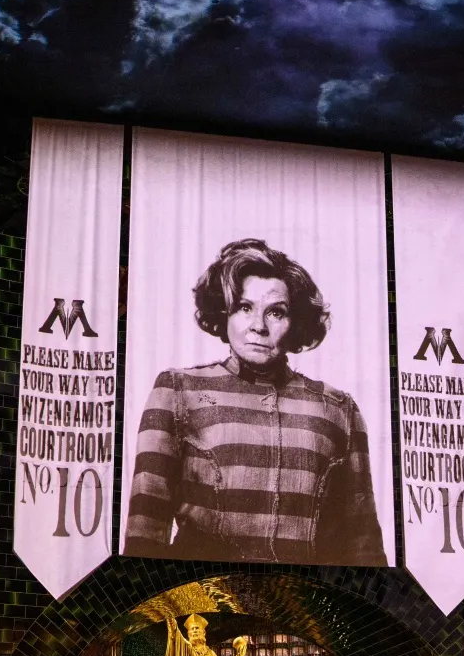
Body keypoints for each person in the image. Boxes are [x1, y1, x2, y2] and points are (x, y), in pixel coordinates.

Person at [126, 238, 386, 565]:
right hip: (204, 592)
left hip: (299, 594)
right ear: (224, 312)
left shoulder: (337, 409)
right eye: (244, 308)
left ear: (296, 322)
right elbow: (145, 531)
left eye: (276, 312)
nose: (259, 326)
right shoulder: (179, 391)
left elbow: (364, 544)